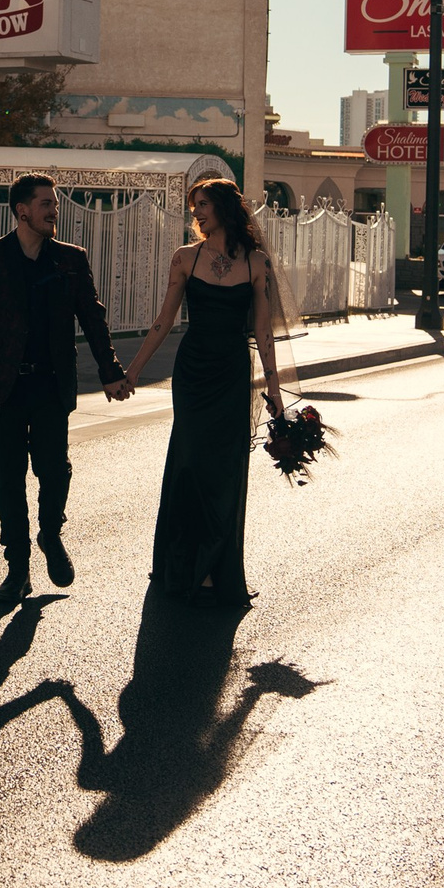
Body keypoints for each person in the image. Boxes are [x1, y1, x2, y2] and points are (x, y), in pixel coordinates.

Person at [0, 174, 133, 606]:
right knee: (9, 478)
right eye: (44, 204)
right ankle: (17, 569)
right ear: (22, 210)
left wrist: (110, 371)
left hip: (52, 385)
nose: (53, 210)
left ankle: (50, 534)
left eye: (53, 204)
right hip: (4, 386)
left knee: (55, 470)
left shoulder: (70, 259)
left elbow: (93, 319)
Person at [122, 176, 286, 608]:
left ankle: (217, 567)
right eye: (194, 205)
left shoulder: (256, 263)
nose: (196, 212)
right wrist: (133, 371)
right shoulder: (185, 258)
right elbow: (163, 321)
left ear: (225, 208)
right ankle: (180, 561)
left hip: (232, 373)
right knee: (190, 463)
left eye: (203, 204)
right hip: (193, 373)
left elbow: (264, 333)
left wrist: (275, 392)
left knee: (224, 469)